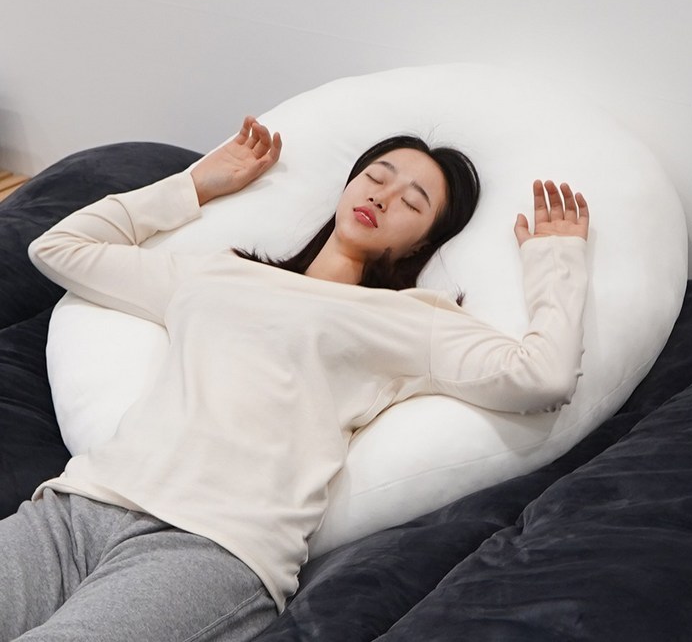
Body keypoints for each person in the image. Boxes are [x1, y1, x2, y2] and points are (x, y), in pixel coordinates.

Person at [0, 116, 589, 641]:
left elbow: (541, 377)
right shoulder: (219, 274)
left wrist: (556, 261)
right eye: (376, 177)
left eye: (412, 203)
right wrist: (198, 182)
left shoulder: (410, 320)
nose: (383, 198)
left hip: (210, 544)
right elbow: (60, 247)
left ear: (425, 241)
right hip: (78, 508)